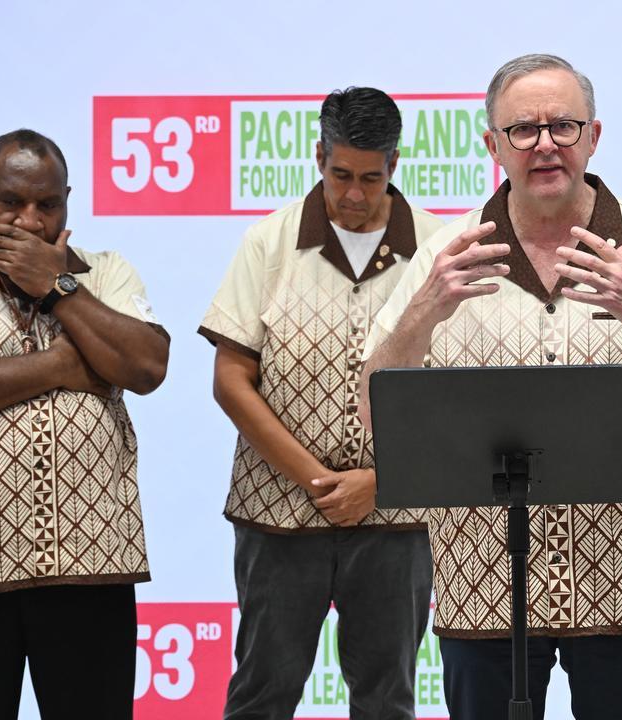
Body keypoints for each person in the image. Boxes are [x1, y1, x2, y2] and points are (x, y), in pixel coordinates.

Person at [360, 53, 622, 720]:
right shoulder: (446, 253)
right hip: (481, 588)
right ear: (491, 145)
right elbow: (372, 413)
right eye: (523, 130)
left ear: (593, 137)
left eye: (563, 126)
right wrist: (423, 311)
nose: (544, 145)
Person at [199, 87, 440, 720]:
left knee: (388, 700)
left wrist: (381, 483)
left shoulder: (441, 251)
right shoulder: (270, 243)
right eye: (340, 175)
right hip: (276, 517)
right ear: (317, 157)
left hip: (397, 522)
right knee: (261, 696)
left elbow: (457, 395)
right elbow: (230, 380)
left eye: (371, 177)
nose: (354, 195)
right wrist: (317, 480)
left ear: (394, 165)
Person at [0, 129, 169, 719]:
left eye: (48, 205)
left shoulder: (107, 272)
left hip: (91, 571)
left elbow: (146, 365)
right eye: (10, 202)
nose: (29, 221)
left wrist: (58, 285)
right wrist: (58, 366)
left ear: (67, 201)